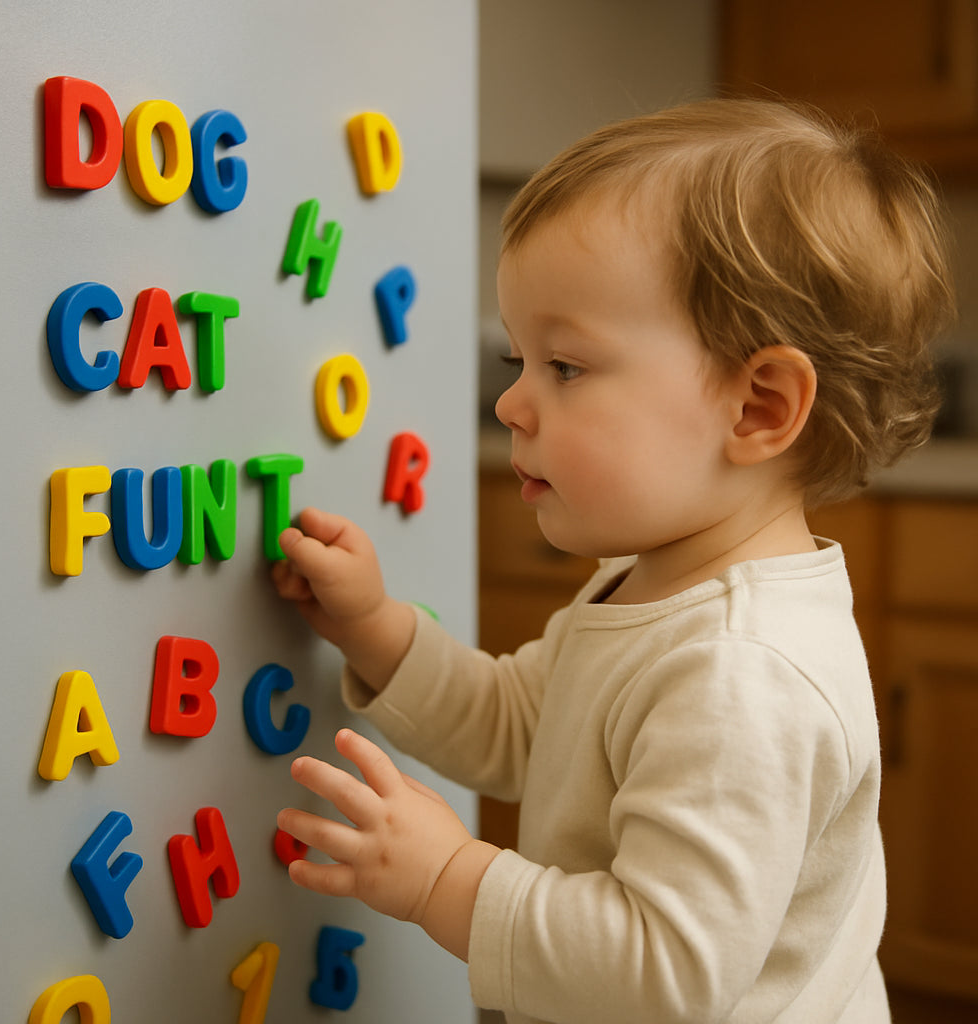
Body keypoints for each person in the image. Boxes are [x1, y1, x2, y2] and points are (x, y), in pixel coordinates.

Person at [272, 97, 955, 1023]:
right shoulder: (656, 587)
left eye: (565, 367)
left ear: (757, 407)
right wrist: (376, 629)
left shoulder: (740, 672)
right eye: (519, 360)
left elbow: (664, 970)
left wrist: (447, 880)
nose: (512, 404)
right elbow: (520, 728)